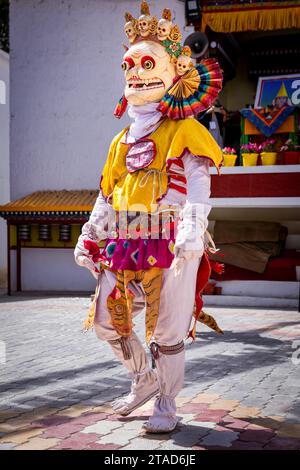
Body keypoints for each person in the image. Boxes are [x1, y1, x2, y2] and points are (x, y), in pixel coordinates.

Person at [74, 1, 223, 433]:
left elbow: (199, 183)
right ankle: (143, 379)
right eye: (129, 65)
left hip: (174, 243)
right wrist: (90, 235)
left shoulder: (183, 129)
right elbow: (108, 193)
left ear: (174, 71)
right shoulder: (120, 140)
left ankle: (167, 405)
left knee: (168, 332)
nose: (136, 73)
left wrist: (194, 228)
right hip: (125, 245)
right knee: (107, 321)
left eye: (146, 63)